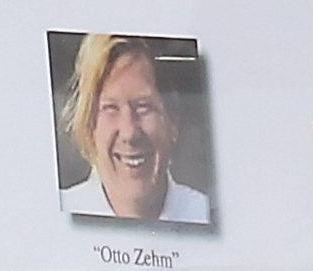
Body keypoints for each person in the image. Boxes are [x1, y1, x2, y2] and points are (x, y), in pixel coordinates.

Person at [60, 32, 207, 224]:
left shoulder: (204, 214)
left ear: (172, 122)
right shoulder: (60, 215)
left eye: (143, 107)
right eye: (111, 108)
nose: (130, 133)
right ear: (89, 125)